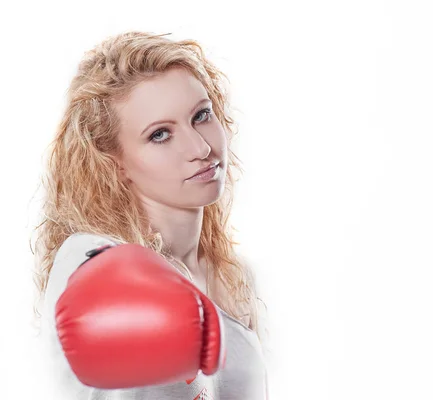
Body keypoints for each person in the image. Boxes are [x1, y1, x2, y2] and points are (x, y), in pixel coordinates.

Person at [30, 31, 270, 399]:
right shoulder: (88, 258)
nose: (202, 148)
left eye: (201, 116)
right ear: (115, 163)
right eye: (160, 135)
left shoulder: (236, 278)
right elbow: (94, 284)